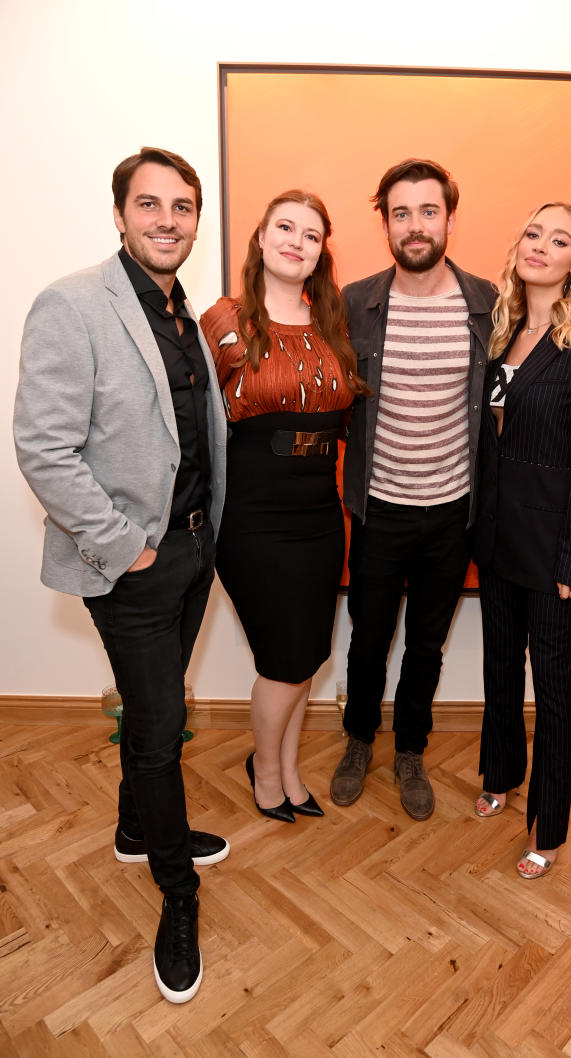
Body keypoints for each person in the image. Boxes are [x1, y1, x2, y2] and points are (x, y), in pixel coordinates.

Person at [14, 147, 229, 1002]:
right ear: (119, 214)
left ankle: (137, 830)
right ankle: (178, 895)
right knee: (158, 729)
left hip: (193, 549)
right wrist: (124, 545)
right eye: (150, 205)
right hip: (132, 564)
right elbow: (43, 448)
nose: (167, 220)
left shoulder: (185, 316)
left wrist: (204, 536)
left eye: (182, 207)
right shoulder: (72, 303)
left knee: (156, 705)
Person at [330, 159, 495, 820]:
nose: (415, 225)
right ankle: (356, 740)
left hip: (454, 512)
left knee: (426, 643)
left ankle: (409, 750)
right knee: (368, 639)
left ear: (448, 218)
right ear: (386, 223)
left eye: (428, 211)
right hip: (379, 510)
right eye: (401, 213)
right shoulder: (354, 302)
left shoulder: (486, 302)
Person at [472, 202, 571, 878]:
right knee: (498, 668)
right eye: (532, 233)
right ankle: (500, 771)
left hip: (551, 548)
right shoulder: (500, 329)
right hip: (497, 535)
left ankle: (548, 826)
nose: (539, 246)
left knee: (553, 684)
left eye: (558, 239)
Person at [200, 191, 368, 824]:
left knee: (311, 655)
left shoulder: (333, 323)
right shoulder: (224, 320)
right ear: (262, 238)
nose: (297, 241)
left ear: (322, 252)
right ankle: (265, 773)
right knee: (283, 660)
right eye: (286, 228)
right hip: (252, 519)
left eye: (313, 234)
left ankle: (292, 771)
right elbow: (195, 423)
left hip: (320, 517)